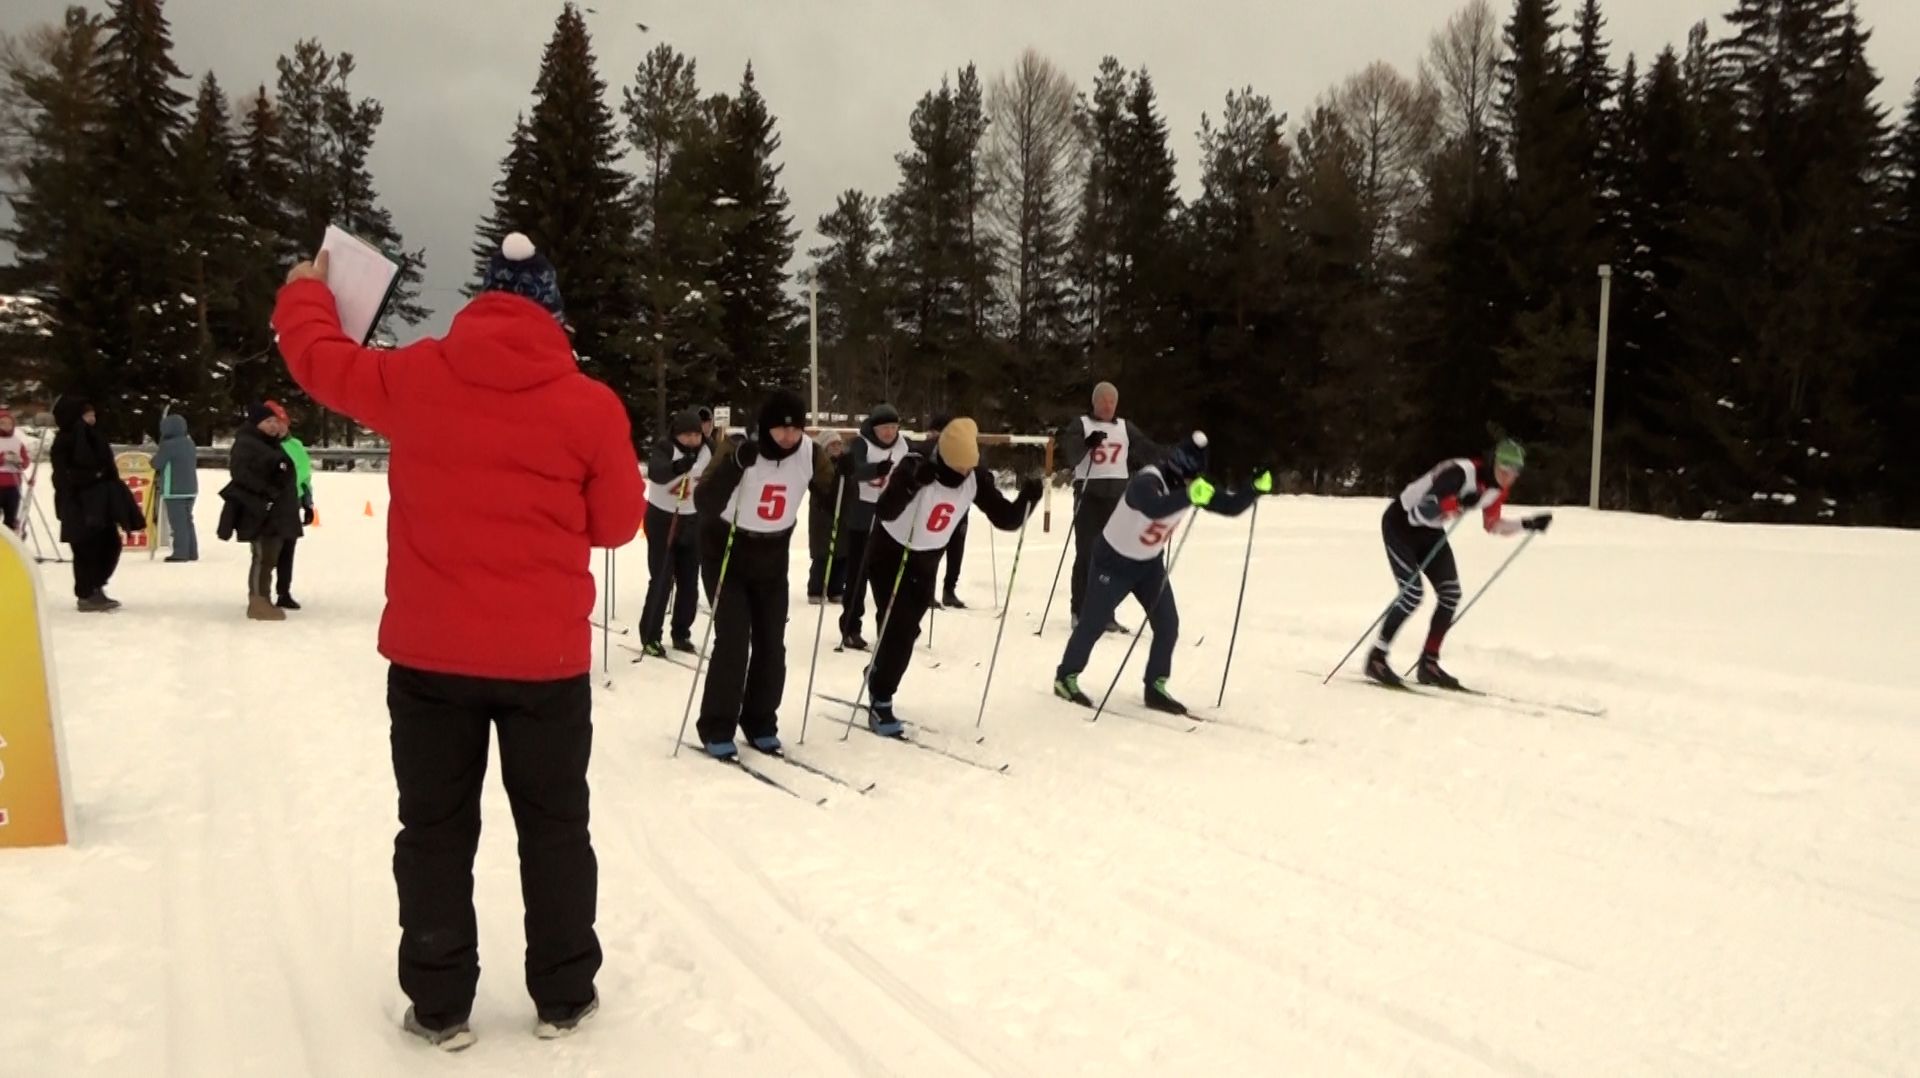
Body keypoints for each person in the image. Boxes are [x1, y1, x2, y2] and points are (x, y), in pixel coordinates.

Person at [272, 232, 645, 1049]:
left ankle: (441, 1004)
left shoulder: (416, 377)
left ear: (481, 302)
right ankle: (564, 993)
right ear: (553, 315)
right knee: (555, 826)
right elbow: (619, 525)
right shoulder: (590, 405)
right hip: (545, 665)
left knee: (435, 830)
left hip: (430, 658)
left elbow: (321, 362)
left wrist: (306, 291)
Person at [1053, 433, 1264, 715]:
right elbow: (1154, 508)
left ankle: (1155, 687)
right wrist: (1189, 496)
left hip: (1149, 565)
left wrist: (1254, 488)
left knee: (1168, 624)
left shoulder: (1191, 486)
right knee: (1093, 622)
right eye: (1191, 479)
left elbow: (1230, 506)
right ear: (1180, 473)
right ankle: (1065, 676)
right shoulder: (1147, 481)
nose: (1194, 485)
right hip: (1113, 562)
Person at [862, 419, 1039, 735]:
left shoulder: (973, 476)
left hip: (927, 558)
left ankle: (879, 672)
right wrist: (911, 484)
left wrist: (1029, 498)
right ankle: (881, 697)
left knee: (905, 631)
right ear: (943, 455)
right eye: (957, 466)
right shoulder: (916, 462)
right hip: (891, 551)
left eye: (968, 466)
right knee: (897, 628)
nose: (962, 472)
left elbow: (1006, 519)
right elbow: (885, 510)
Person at [1365, 438, 1550, 689]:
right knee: (1412, 595)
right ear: (1493, 462)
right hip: (1401, 525)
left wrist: (1526, 524)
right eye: (1505, 470)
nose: (1509, 477)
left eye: (1515, 473)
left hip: (1430, 532)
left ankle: (1428, 663)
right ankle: (1377, 658)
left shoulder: (1497, 489)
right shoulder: (1460, 473)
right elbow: (1420, 512)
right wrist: (1459, 502)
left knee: (1450, 594)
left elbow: (1492, 524)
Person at [692, 390, 814, 757]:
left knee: (771, 643)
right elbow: (705, 501)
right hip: (727, 551)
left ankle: (760, 719)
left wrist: (844, 476)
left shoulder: (808, 451)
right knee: (732, 640)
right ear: (766, 427)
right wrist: (735, 466)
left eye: (796, 430)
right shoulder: (737, 447)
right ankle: (716, 725)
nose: (790, 437)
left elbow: (831, 489)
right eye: (782, 430)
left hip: (772, 556)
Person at [1058, 382, 1161, 633]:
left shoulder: (1125, 427)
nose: (1107, 405)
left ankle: (1105, 612)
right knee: (1087, 554)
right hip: (1089, 496)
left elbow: (1148, 450)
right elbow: (1070, 456)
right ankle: (1079, 611)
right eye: (1103, 400)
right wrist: (1087, 443)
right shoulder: (1081, 424)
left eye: (1112, 401)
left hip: (1117, 499)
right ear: (1094, 402)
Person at [50, 396, 137, 611]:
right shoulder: (65, 441)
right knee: (86, 549)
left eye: (93, 414)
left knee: (110, 545)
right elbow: (63, 477)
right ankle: (87, 593)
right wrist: (93, 476)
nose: (92, 418)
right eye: (87, 414)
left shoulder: (95, 437)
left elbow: (108, 468)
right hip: (78, 503)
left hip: (102, 502)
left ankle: (96, 586)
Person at [836, 404, 911, 650]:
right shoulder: (862, 443)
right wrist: (874, 470)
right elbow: (853, 470)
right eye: (884, 428)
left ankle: (888, 627)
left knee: (888, 575)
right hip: (863, 515)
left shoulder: (903, 445)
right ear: (874, 428)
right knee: (858, 574)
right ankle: (850, 627)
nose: (889, 433)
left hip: (892, 516)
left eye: (893, 427)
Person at [219, 403, 302, 622]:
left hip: (276, 512)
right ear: (257, 423)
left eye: (276, 421)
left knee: (271, 556)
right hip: (261, 512)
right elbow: (241, 474)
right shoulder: (248, 444)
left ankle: (264, 597)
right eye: (268, 422)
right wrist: (268, 493)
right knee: (263, 557)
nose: (274, 426)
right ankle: (258, 601)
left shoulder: (268, 443)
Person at [639, 407, 709, 656]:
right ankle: (650, 635)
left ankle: (681, 632)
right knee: (661, 578)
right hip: (663, 519)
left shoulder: (707, 450)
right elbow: (657, 473)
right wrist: (679, 466)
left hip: (692, 519)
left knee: (690, 582)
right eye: (686, 435)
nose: (692, 440)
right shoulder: (665, 448)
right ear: (676, 434)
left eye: (696, 435)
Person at [260, 401, 315, 609]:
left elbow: (305, 478)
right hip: (271, 506)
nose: (280, 427)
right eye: (274, 422)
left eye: (282, 422)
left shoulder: (296, 446)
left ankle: (284, 592)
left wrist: (308, 504)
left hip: (292, 505)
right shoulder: (263, 447)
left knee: (287, 551)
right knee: (267, 553)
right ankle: (260, 594)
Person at [916, 414, 970, 609]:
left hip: (958, 507)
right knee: (932, 551)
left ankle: (949, 590)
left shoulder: (960, 448)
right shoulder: (925, 451)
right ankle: (927, 592)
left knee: (957, 549)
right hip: (934, 508)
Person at [148, 412, 200, 562]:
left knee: (178, 523)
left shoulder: (168, 445)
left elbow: (157, 463)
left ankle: (180, 553)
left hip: (174, 488)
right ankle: (191, 551)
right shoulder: (189, 443)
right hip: (190, 488)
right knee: (187, 520)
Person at [805, 430, 849, 604]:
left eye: (839, 444)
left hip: (842, 512)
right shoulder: (820, 464)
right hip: (823, 514)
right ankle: (816, 589)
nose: (837, 447)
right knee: (823, 554)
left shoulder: (845, 463)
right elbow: (816, 485)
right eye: (833, 445)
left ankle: (836, 588)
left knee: (841, 553)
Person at [0, 407, 28, 534]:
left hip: (13, 486)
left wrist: (20, 461)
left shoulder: (17, 442)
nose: (6, 426)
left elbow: (25, 461)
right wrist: (3, 458)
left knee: (11, 518)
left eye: (9, 423)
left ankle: (10, 544)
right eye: (2, 423)